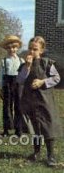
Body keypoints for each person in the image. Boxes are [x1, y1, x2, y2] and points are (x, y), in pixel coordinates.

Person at [17, 36, 62, 167]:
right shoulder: (24, 65)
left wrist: (43, 81)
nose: (31, 52)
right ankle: (36, 152)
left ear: (41, 50)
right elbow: (20, 80)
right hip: (30, 101)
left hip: (45, 100)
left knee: (48, 127)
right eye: (30, 49)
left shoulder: (46, 63)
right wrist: (27, 67)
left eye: (35, 49)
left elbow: (56, 78)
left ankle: (51, 155)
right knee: (35, 127)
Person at [0, 35, 24, 136]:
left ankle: (19, 129)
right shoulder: (4, 61)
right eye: (9, 47)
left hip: (18, 84)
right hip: (7, 84)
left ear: (17, 48)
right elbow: (1, 75)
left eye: (14, 47)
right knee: (7, 107)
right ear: (6, 48)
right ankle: (6, 129)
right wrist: (0, 88)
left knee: (18, 107)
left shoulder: (21, 61)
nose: (11, 49)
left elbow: (23, 75)